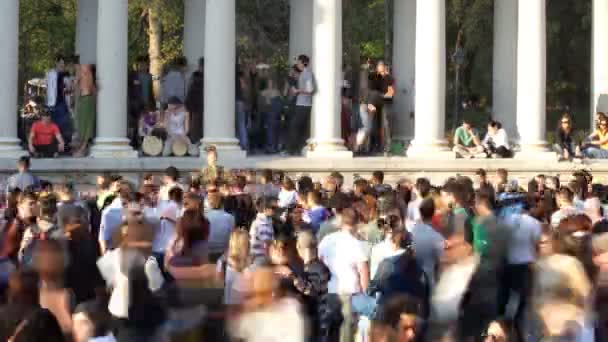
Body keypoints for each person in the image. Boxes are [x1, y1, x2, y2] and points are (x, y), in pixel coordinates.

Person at [318, 207, 369, 342]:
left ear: (341, 222)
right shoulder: (357, 244)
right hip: (350, 291)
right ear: (357, 223)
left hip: (331, 289)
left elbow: (320, 259)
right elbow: (363, 271)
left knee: (331, 329)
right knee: (346, 333)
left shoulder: (327, 239)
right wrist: (366, 295)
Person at [411, 198, 445, 285]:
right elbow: (440, 262)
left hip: (413, 279)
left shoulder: (412, 231)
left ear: (420, 213)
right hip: (429, 280)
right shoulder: (437, 237)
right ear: (433, 213)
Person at [286, 55, 315, 156]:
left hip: (303, 105)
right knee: (300, 128)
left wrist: (298, 91)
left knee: (294, 126)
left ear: (304, 63)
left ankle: (291, 150)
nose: (297, 64)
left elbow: (310, 90)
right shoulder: (304, 73)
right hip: (302, 104)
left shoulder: (307, 73)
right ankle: (298, 149)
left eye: (299, 62)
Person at [367, 60, 394, 153]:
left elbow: (390, 93)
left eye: (382, 66)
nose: (381, 68)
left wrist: (383, 95)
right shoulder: (374, 76)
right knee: (373, 124)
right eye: (379, 66)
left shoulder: (389, 78)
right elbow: (370, 90)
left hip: (385, 102)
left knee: (386, 124)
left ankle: (387, 146)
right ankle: (373, 146)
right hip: (374, 102)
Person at [46, 55, 72, 148]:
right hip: (52, 103)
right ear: (56, 63)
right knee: (52, 125)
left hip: (62, 103)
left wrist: (68, 87)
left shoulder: (66, 74)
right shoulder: (50, 73)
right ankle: (53, 145)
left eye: (63, 63)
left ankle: (63, 145)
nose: (62, 64)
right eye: (60, 62)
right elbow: (48, 89)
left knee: (63, 124)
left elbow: (69, 89)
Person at [73, 64, 96, 157]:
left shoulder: (87, 72)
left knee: (86, 123)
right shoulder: (82, 71)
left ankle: (84, 147)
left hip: (86, 98)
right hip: (82, 98)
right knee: (81, 123)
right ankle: (82, 146)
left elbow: (91, 88)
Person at [205, 191, 235, 261]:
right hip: (223, 253)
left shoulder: (204, 216)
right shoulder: (230, 217)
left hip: (209, 252)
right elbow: (231, 237)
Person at [185, 70, 204, 143]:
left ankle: (194, 140)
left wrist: (188, 106)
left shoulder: (193, 84)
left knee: (194, 126)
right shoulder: (202, 84)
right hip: (199, 107)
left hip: (194, 108)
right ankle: (196, 140)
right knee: (197, 125)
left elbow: (189, 96)